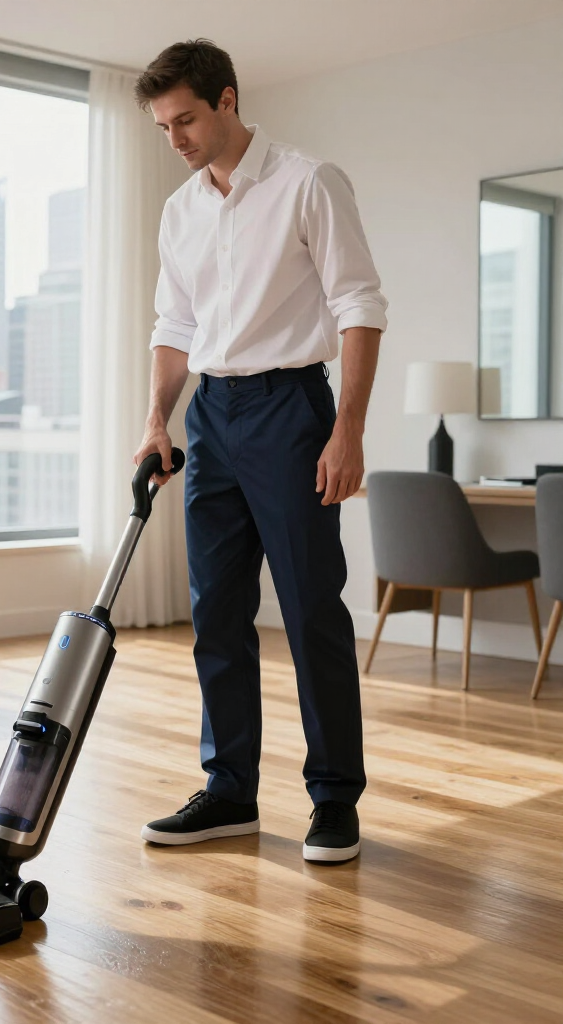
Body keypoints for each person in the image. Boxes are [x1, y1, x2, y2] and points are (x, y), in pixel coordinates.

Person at [133, 39, 387, 863]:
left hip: (291, 410)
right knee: (215, 611)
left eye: (186, 120)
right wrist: (157, 421)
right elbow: (174, 327)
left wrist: (346, 428)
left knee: (312, 607)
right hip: (211, 415)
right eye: (162, 126)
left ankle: (334, 799)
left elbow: (359, 304)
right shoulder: (181, 212)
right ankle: (230, 789)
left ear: (228, 100)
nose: (175, 139)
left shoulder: (309, 182)